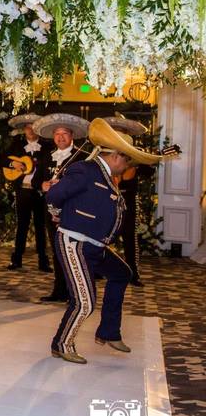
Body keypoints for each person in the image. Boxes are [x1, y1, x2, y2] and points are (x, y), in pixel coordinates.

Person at [48, 118, 169, 364]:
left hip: (97, 245)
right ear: (115, 156)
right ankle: (62, 343)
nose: (126, 166)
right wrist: (58, 214)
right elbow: (54, 194)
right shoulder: (86, 169)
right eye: (126, 160)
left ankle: (109, 332)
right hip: (75, 242)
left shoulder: (106, 175)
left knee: (121, 273)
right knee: (84, 301)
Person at [31, 113, 90, 303]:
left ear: (72, 135)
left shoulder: (82, 157)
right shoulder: (47, 157)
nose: (60, 138)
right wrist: (43, 185)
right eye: (57, 134)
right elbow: (35, 180)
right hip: (50, 210)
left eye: (64, 134)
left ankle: (77, 292)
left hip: (73, 210)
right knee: (57, 249)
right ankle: (59, 290)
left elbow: (86, 184)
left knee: (73, 251)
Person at [103, 116, 153, 287]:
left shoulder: (134, 153)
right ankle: (97, 269)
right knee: (102, 235)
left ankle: (133, 274)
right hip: (106, 199)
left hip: (128, 200)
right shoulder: (105, 151)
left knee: (130, 237)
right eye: (115, 132)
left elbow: (148, 173)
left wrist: (138, 162)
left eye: (121, 132)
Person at [5, 113, 53, 272]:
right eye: (28, 127)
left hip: (40, 191)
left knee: (41, 226)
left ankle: (43, 261)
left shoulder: (47, 146)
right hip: (23, 190)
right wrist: (14, 163)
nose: (30, 130)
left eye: (33, 127)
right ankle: (17, 259)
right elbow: (2, 159)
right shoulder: (17, 145)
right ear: (24, 130)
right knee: (22, 225)